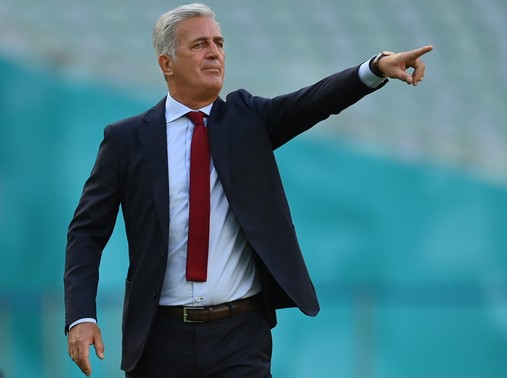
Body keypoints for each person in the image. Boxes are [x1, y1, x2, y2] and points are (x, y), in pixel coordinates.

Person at [64, 3, 433, 377]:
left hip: (239, 338)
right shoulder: (127, 140)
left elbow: (315, 100)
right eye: (200, 45)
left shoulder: (247, 120)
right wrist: (81, 316)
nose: (214, 52)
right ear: (166, 63)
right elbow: (87, 232)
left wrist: (374, 69)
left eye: (219, 43)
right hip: (159, 340)